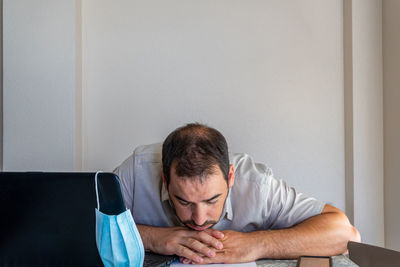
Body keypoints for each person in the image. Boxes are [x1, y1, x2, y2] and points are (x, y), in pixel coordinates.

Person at [114, 123, 360, 264]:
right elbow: (79, 226)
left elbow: (344, 233)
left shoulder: (257, 184)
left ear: (230, 177)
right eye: (184, 201)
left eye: (212, 200)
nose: (199, 220)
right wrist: (149, 237)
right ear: (166, 181)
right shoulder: (137, 171)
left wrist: (258, 243)